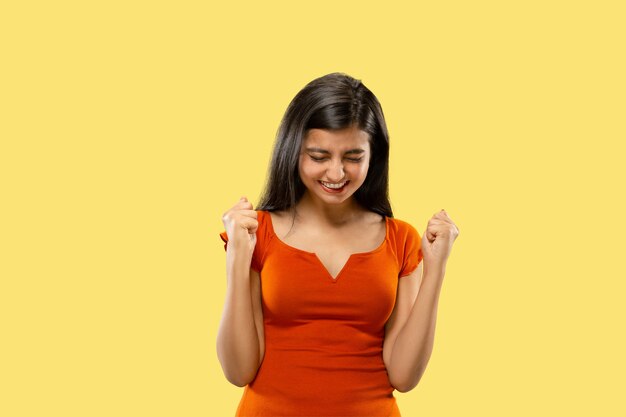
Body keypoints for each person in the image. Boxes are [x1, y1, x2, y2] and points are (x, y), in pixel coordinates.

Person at [216, 72, 459, 416]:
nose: (335, 173)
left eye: (353, 157)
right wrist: (237, 259)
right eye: (318, 157)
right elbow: (238, 371)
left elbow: (404, 376)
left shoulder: (401, 240)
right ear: (293, 151)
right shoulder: (258, 233)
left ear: (375, 156)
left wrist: (436, 269)